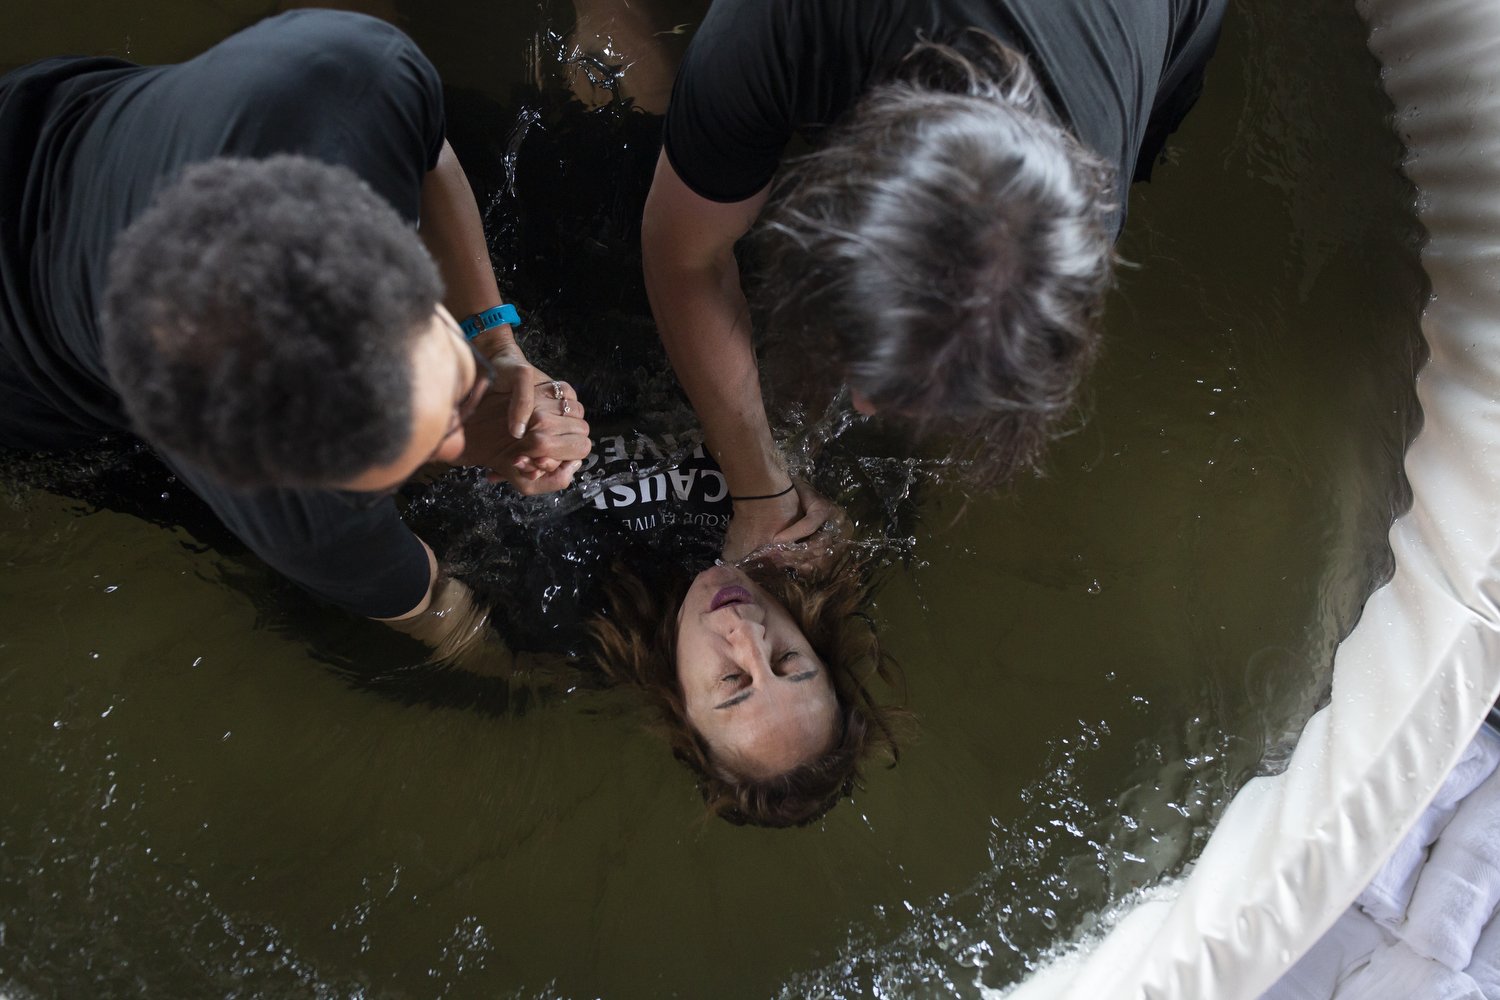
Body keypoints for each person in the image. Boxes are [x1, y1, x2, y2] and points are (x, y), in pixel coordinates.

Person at [0, 10, 592, 660]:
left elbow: (429, 150)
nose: (465, 427)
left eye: (452, 381)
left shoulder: (355, 73)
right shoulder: (292, 509)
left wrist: (496, 344)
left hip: (30, 121)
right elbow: (443, 618)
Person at [641, 0, 1229, 560]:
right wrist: (758, 487)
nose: (863, 407)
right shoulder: (777, 31)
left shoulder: (1087, 220)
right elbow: (688, 258)